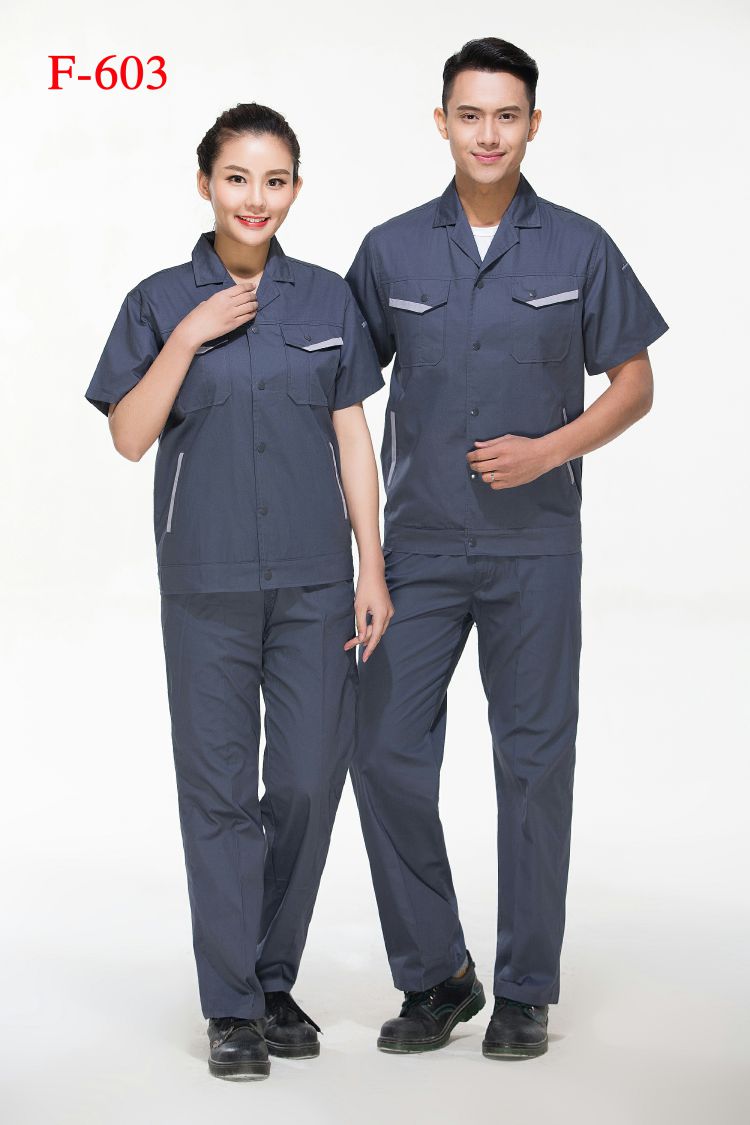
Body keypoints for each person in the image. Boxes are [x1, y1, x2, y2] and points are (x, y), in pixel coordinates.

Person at [346, 38, 669, 1060]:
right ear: (441, 121)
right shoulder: (391, 251)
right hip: (418, 546)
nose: (488, 133)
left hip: (536, 548)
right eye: (470, 114)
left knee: (533, 765)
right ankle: (438, 974)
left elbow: (634, 382)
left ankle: (526, 989)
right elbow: (342, 392)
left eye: (507, 115)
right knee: (382, 751)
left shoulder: (579, 247)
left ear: (533, 124)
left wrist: (551, 450)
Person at [85, 102, 391, 1081]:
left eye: (274, 180)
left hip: (315, 580)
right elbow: (129, 436)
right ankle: (233, 1007)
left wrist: (372, 566)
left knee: (306, 777)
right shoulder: (158, 301)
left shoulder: (327, 300)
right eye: (236, 177)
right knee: (218, 794)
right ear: (205, 184)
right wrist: (187, 338)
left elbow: (353, 436)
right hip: (206, 581)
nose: (255, 198)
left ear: (294, 189)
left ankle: (266, 975)